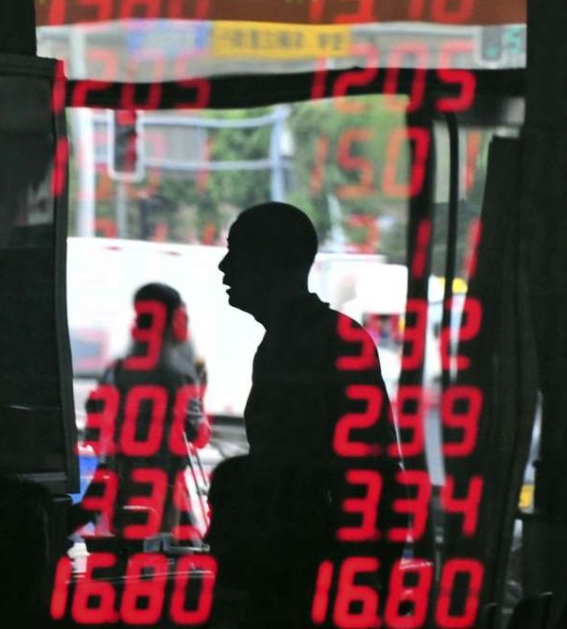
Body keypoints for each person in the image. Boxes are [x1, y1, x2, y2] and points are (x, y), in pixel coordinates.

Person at [208, 203, 405, 626]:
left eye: (235, 252)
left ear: (270, 262)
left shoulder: (316, 345)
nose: (225, 267)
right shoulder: (314, 340)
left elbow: (364, 478)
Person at [76, 283, 211, 543]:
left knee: (118, 557)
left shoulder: (115, 370)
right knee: (159, 557)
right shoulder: (180, 374)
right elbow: (198, 435)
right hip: (162, 491)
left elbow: (94, 432)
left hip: (119, 487)